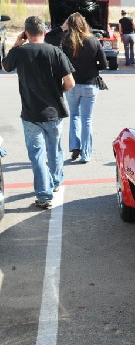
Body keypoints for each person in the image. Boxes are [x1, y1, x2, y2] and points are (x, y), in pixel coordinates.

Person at [1, 16, 75, 209]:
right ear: (44, 31)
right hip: (55, 112)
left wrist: (16, 44)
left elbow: (5, 66)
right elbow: (70, 83)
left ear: (26, 33)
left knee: (37, 155)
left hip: (31, 114)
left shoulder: (19, 52)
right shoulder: (56, 52)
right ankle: (57, 182)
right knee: (55, 149)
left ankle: (44, 195)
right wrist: (59, 91)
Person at [61, 12, 108, 163]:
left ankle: (75, 147)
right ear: (84, 24)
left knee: (74, 115)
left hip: (71, 84)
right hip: (89, 84)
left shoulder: (65, 41)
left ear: (69, 25)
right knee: (86, 119)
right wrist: (94, 66)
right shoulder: (93, 41)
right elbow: (104, 64)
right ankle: (86, 154)